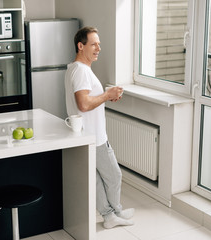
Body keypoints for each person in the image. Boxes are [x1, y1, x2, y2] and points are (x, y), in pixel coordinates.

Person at [65, 26, 135, 229]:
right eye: (94, 44)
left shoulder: (76, 69)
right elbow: (84, 104)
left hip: (86, 134)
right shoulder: (81, 71)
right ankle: (115, 212)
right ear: (81, 46)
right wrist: (106, 95)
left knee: (96, 180)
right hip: (94, 136)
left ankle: (110, 215)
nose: (98, 48)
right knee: (114, 175)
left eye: (99, 44)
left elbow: (87, 99)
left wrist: (106, 95)